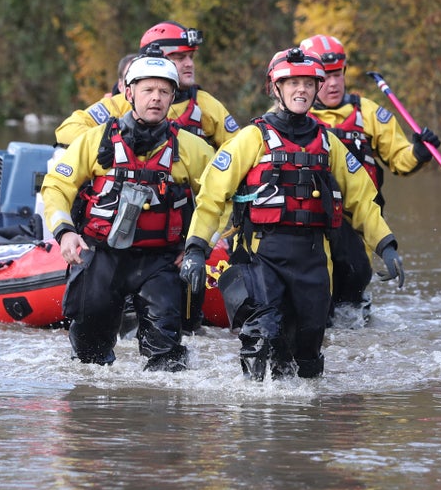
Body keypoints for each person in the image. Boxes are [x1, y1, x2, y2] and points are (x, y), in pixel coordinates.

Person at [179, 47, 406, 380]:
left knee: (307, 352)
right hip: (261, 254)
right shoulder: (251, 139)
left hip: (314, 258)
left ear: (316, 90)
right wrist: (196, 250)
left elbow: (362, 200)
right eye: (292, 83)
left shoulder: (328, 143)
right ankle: (254, 409)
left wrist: (386, 245)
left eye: (308, 83)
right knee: (261, 332)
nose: (301, 89)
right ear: (276, 88)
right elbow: (212, 196)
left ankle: (302, 421)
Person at [41, 55, 216, 371]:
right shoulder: (95, 141)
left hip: (161, 261)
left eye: (164, 92)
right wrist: (65, 231)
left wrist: (196, 247)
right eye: (148, 90)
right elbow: (56, 186)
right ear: (129, 93)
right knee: (89, 361)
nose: (156, 98)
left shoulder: (192, 148)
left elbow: (220, 197)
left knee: (167, 361)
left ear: (173, 97)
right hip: (102, 256)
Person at [299, 33, 439, 327]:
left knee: (352, 293)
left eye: (338, 74)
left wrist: (419, 151)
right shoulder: (294, 115)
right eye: (325, 77)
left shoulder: (368, 113)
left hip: (358, 221)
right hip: (309, 222)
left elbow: (400, 160)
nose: (334, 83)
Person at [56, 21, 241, 149]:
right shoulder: (121, 103)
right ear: (155, 60)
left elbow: (239, 150)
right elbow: (67, 130)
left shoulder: (206, 105)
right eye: (180, 58)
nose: (189, 64)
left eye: (191, 57)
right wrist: (113, 144)